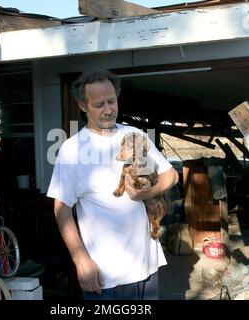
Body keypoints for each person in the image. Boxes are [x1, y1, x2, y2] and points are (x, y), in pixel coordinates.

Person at [46, 69, 178, 300]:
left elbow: (171, 176)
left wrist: (147, 192)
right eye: (99, 104)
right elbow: (62, 210)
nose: (108, 110)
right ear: (83, 106)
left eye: (111, 101)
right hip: (104, 275)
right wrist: (81, 261)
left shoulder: (136, 135)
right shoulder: (71, 149)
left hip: (146, 267)